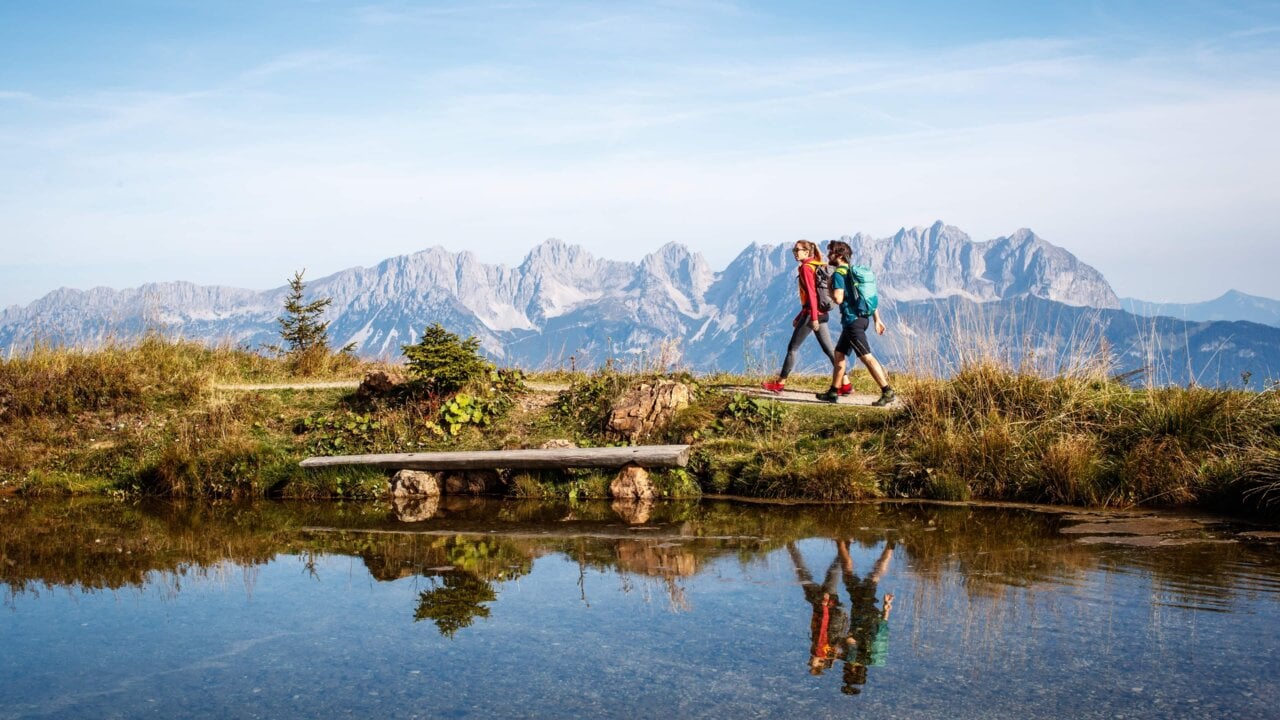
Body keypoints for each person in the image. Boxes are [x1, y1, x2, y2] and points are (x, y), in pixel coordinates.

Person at [761, 240, 848, 394]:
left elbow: (812, 295)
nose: (795, 252)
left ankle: (780, 384)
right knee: (829, 350)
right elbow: (810, 298)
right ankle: (846, 384)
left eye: (798, 250)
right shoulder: (816, 264)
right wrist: (800, 315)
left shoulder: (806, 268)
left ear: (807, 252)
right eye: (794, 250)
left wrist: (813, 317)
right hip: (821, 313)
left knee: (792, 348)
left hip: (813, 315)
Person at [816, 240, 895, 407]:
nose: (828, 255)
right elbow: (867, 297)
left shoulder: (838, 274)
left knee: (866, 357)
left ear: (838, 255)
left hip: (852, 322)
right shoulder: (852, 272)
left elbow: (837, 298)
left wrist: (829, 286)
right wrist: (877, 319)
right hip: (861, 319)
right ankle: (833, 392)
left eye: (830, 252)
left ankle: (887, 390)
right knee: (839, 354)